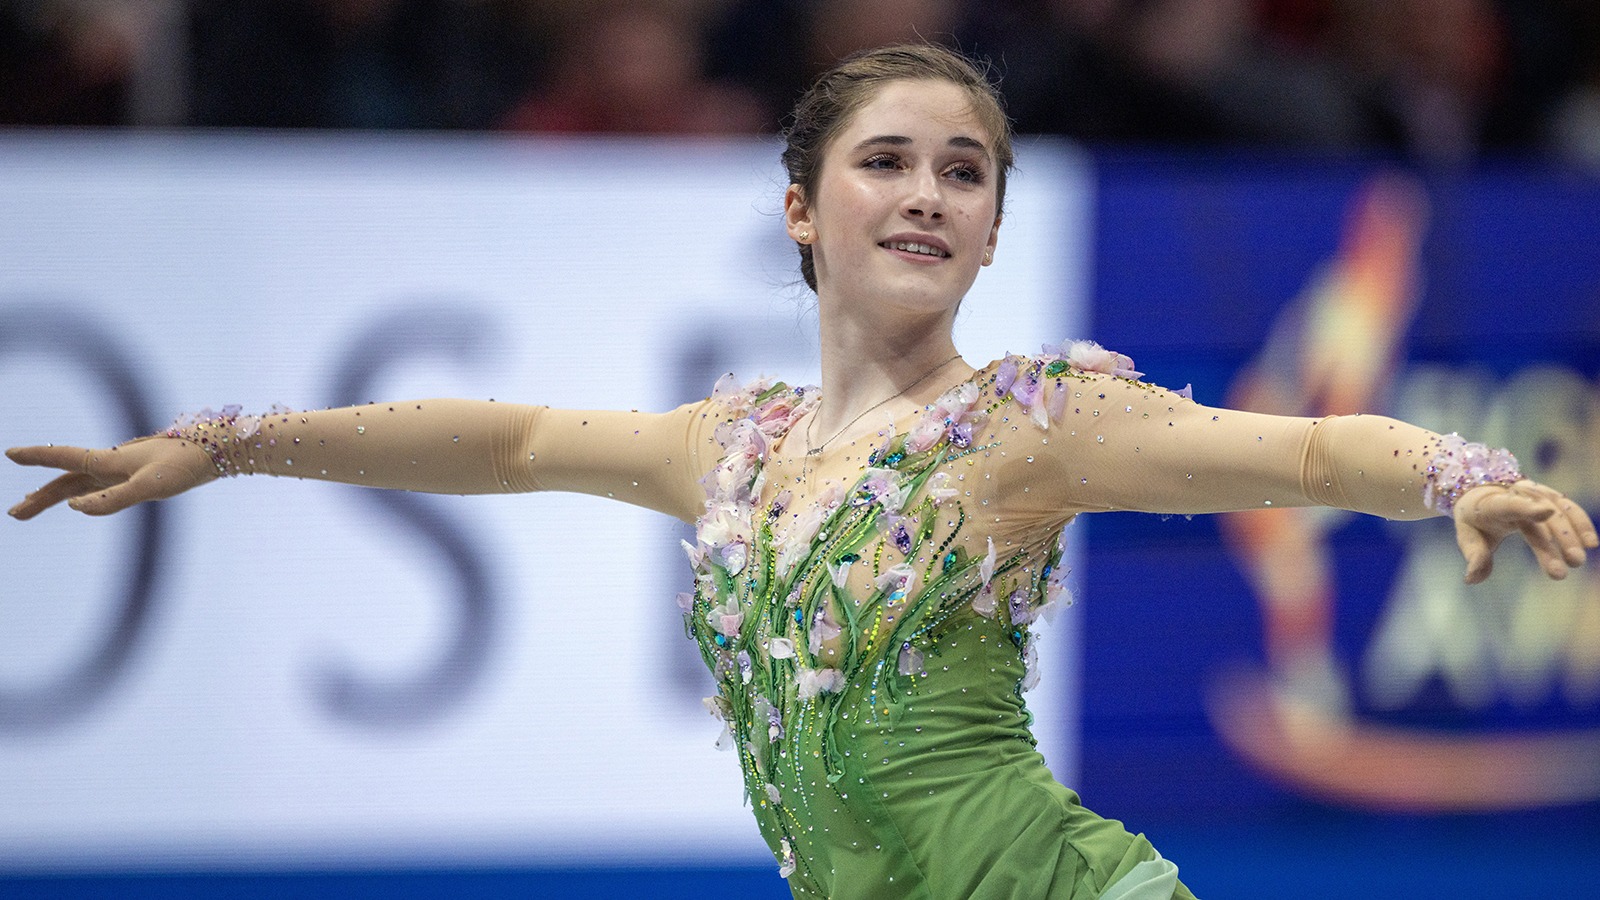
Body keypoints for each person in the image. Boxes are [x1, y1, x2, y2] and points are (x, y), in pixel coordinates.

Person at [7, 43, 1595, 900]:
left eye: (964, 172)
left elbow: (1307, 447)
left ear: (990, 226)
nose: (928, 196)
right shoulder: (735, 447)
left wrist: (1458, 477)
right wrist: (222, 446)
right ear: (798, 209)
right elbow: (506, 440)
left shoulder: (1031, 423)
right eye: (886, 162)